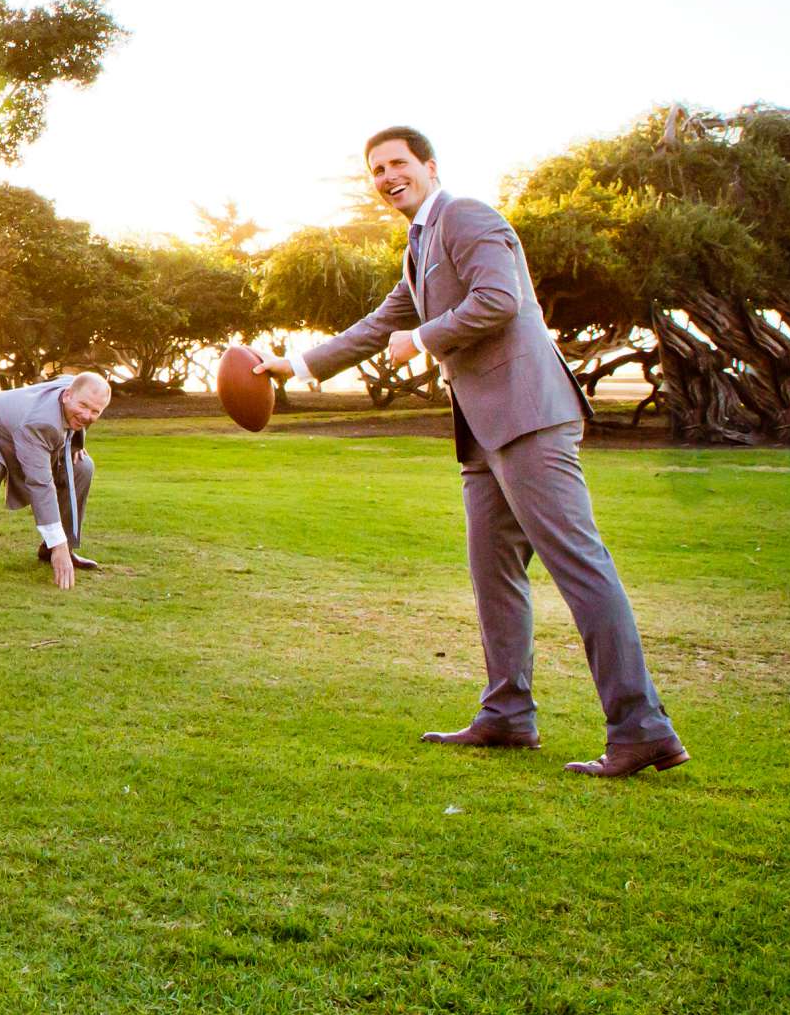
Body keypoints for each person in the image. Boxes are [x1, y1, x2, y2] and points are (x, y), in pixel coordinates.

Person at [256, 127, 687, 777]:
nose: (386, 175)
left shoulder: (467, 217)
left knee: (580, 565)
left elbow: (499, 299)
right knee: (493, 572)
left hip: (529, 416)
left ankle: (642, 727)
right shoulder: (420, 245)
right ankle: (508, 714)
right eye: (376, 169)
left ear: (429, 166)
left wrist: (424, 338)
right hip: (484, 435)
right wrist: (294, 364)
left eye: (397, 162)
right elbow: (378, 326)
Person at [0, 372, 112, 587]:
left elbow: (78, 406)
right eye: (83, 406)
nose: (87, 415)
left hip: (15, 433)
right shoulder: (40, 421)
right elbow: (40, 483)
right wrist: (58, 541)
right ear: (67, 396)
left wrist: (76, 443)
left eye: (95, 411)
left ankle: (54, 550)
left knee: (82, 466)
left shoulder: (75, 387)